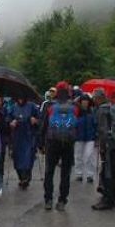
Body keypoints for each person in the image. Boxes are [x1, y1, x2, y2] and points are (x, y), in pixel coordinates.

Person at [40, 81, 79, 212]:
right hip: (68, 143)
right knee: (65, 173)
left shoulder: (50, 105)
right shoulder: (74, 105)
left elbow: (44, 125)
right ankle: (62, 200)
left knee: (49, 172)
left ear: (56, 91)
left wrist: (40, 143)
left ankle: (48, 200)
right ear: (68, 91)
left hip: (52, 142)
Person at [9, 95, 39, 189]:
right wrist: (11, 123)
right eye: (19, 96)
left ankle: (26, 177)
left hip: (29, 135)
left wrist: (35, 121)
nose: (20, 98)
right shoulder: (13, 107)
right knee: (17, 158)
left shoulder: (32, 106)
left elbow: (41, 119)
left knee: (28, 157)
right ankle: (21, 177)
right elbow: (7, 119)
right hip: (17, 136)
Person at [74, 94, 97, 183]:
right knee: (78, 156)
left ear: (89, 102)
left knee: (89, 156)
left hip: (90, 137)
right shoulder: (76, 112)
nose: (85, 102)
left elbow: (95, 124)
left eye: (86, 100)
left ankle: (90, 175)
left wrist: (96, 135)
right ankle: (78, 174)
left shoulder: (92, 112)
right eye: (83, 100)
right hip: (78, 137)